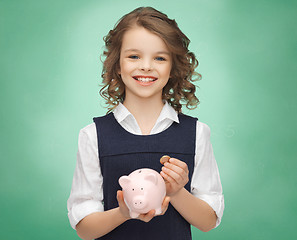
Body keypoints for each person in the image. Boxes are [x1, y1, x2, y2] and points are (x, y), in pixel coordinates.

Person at [67, 6, 224, 240]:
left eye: (160, 58)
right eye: (134, 56)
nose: (146, 66)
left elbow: (208, 221)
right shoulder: (93, 135)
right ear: (117, 64)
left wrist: (177, 191)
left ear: (173, 68)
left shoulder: (197, 133)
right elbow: (84, 229)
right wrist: (124, 212)